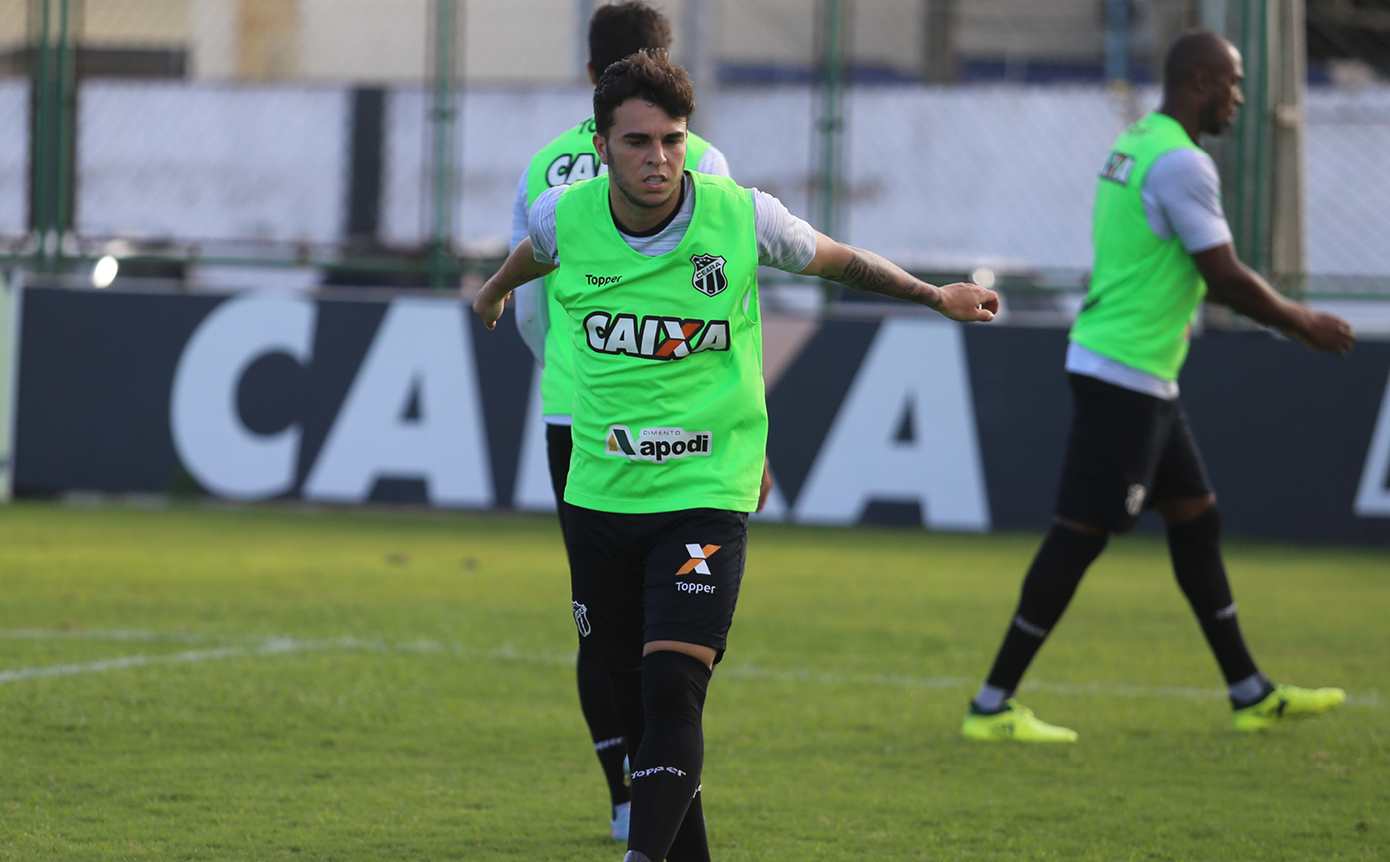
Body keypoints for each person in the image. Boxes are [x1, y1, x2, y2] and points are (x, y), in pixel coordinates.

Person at [476, 49, 997, 862]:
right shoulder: (562, 215)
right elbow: (532, 256)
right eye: (640, 142)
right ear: (603, 145)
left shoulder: (741, 217)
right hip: (601, 494)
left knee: (675, 684)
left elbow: (839, 260)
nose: (659, 159)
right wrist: (490, 291)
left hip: (705, 488)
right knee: (634, 699)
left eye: (673, 141)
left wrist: (936, 295)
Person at [960, 29, 1355, 744]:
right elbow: (1224, 276)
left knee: (1196, 521)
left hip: (1141, 372)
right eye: (1233, 83)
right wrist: (1301, 322)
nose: (1238, 97)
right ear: (1202, 81)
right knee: (1077, 537)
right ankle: (990, 705)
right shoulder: (1181, 163)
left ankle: (1248, 692)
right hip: (1125, 373)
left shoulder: (1135, 141)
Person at [508, 0, 733, 843]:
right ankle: (655, 804)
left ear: (587, 70)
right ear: (667, 64)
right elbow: (728, 302)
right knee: (671, 632)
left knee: (598, 618)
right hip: (682, 424)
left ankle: (624, 796)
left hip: (574, 414)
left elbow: (529, 303)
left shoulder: (543, 166)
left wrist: (570, 371)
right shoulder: (698, 156)